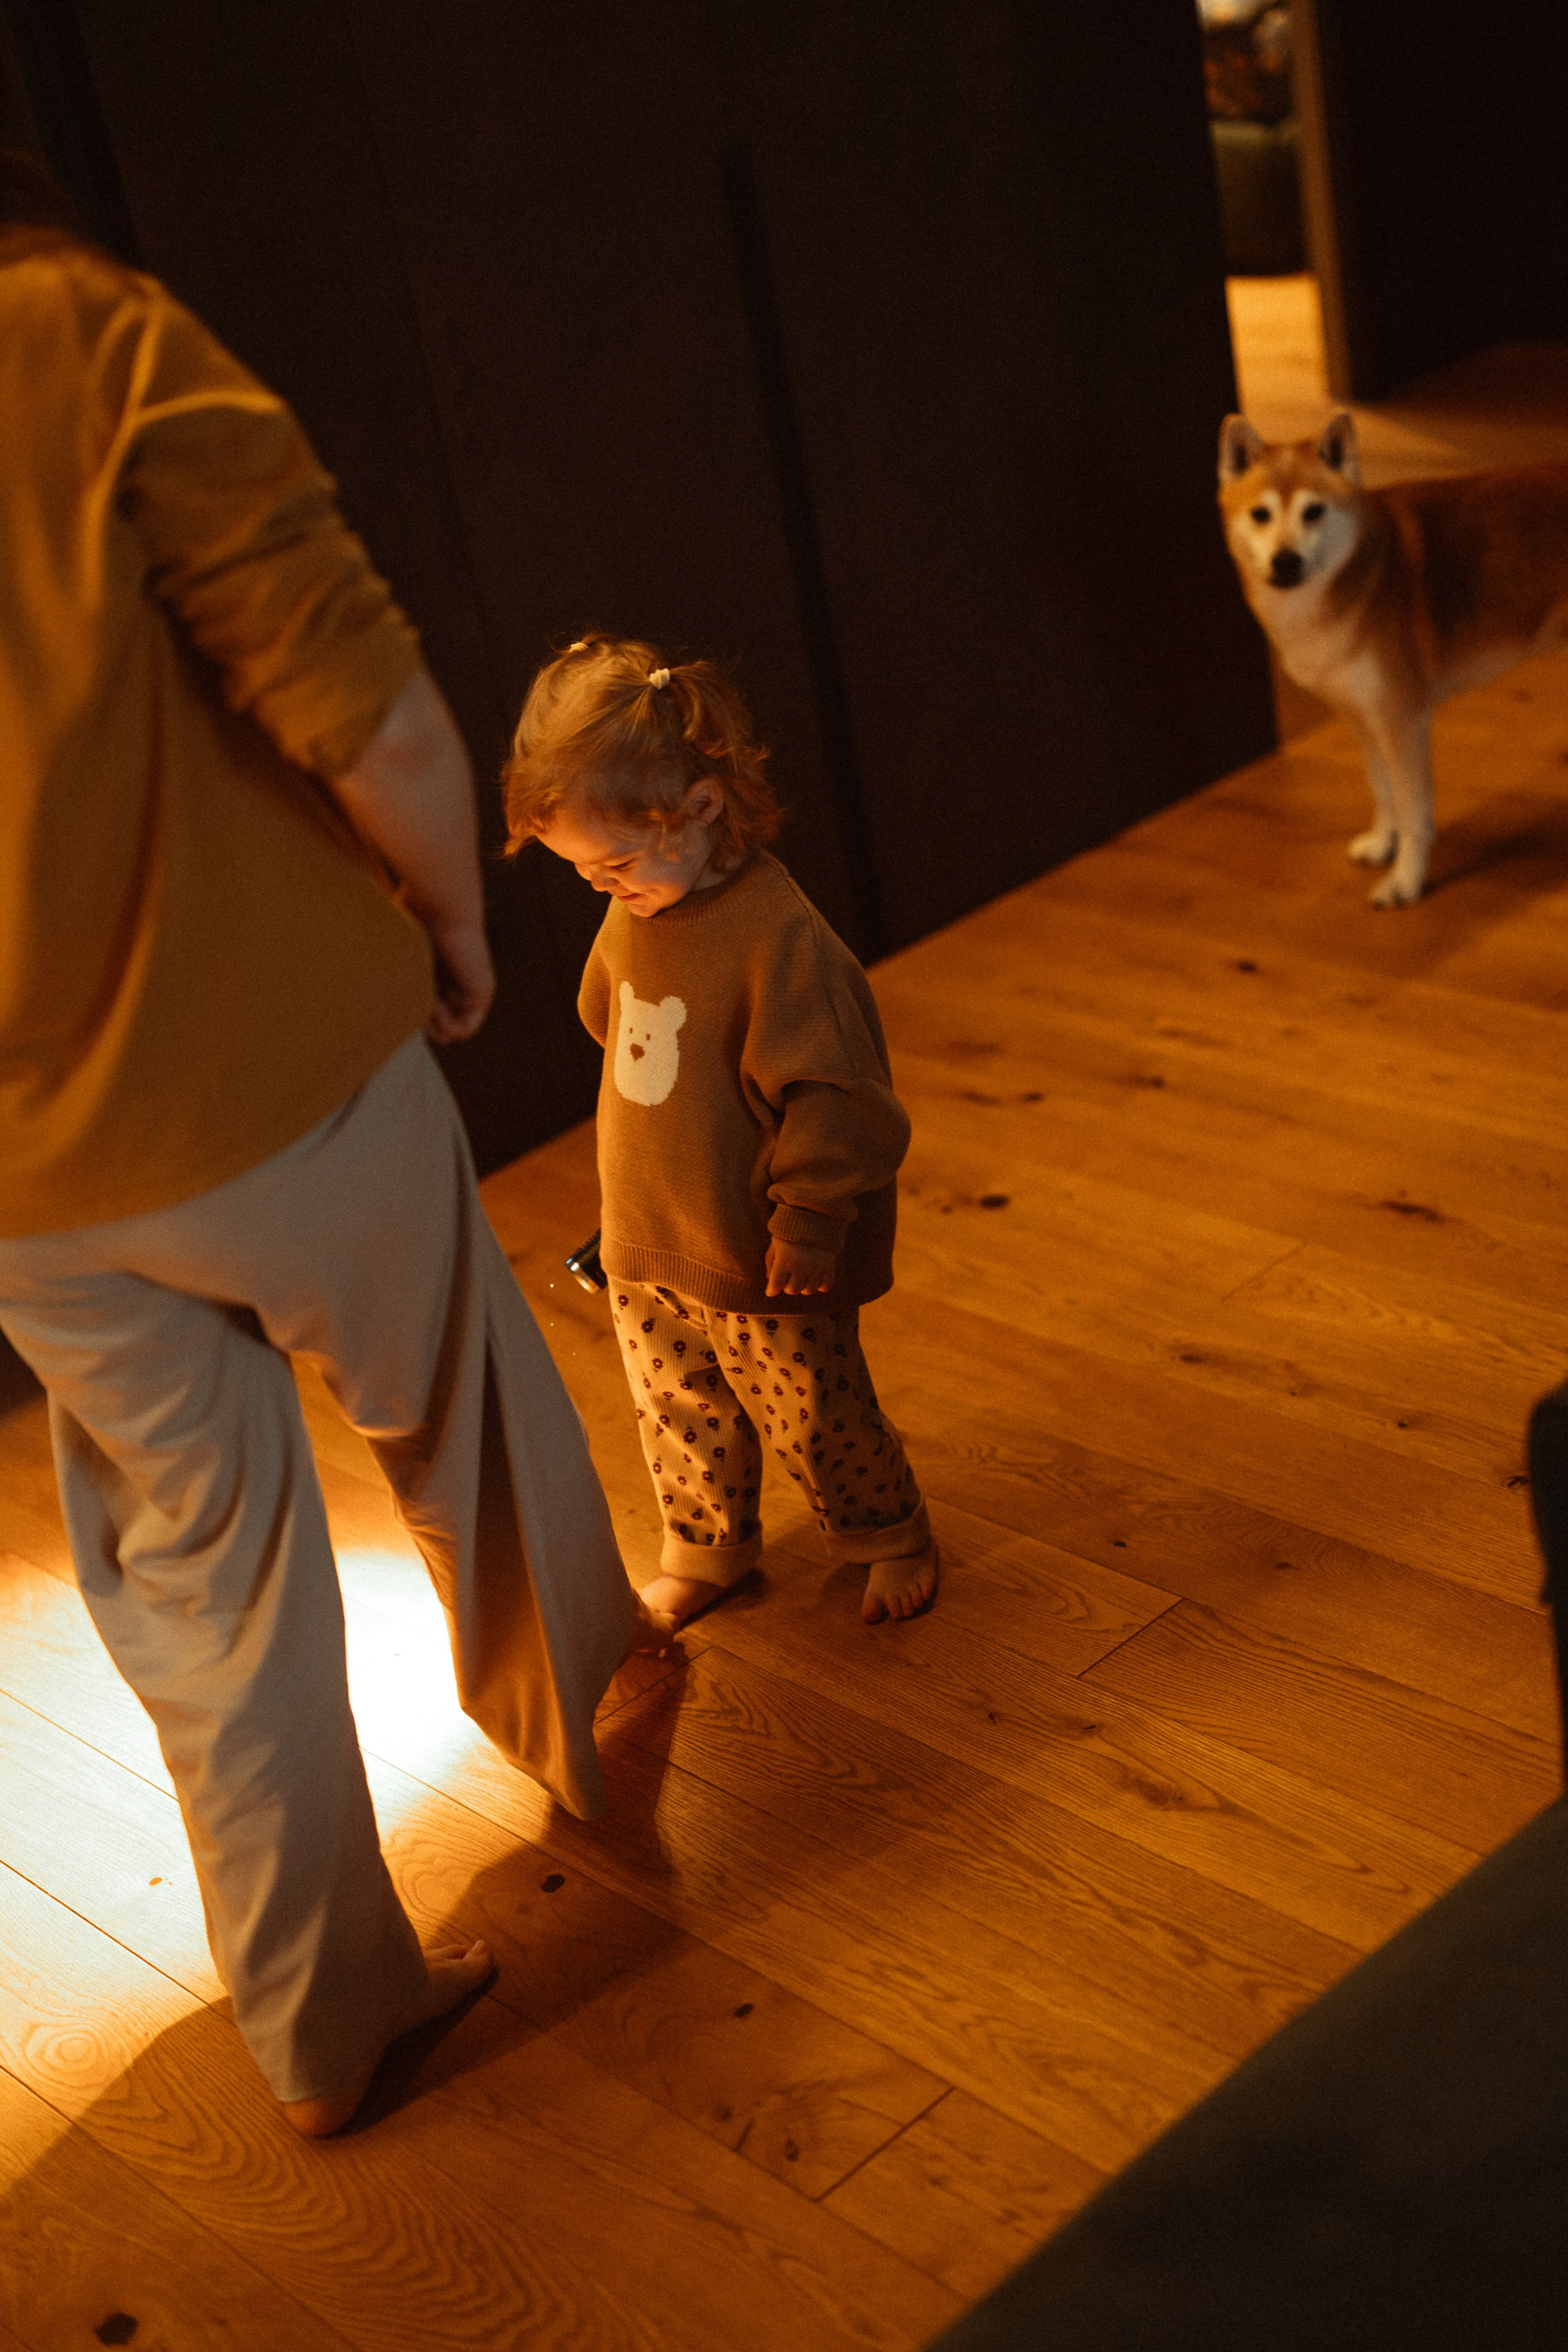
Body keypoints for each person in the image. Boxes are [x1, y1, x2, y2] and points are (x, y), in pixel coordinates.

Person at [0, 176, 645, 2136]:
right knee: (460, 1406)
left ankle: (326, 2022)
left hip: (29, 1189)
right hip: (277, 1063)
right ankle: (595, 1736)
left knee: (204, 1569)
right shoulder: (78, 339)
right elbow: (371, 714)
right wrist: (452, 923)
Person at [503, 634, 939, 1632]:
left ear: (701, 808)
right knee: (676, 1412)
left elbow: (842, 1100)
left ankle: (888, 1531)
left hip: (760, 1250)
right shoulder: (637, 906)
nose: (600, 887)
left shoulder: (778, 941)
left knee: (814, 1408)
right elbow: (616, 1036)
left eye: (614, 864)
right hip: (647, 1241)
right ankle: (708, 1550)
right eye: (583, 870)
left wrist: (810, 1219)